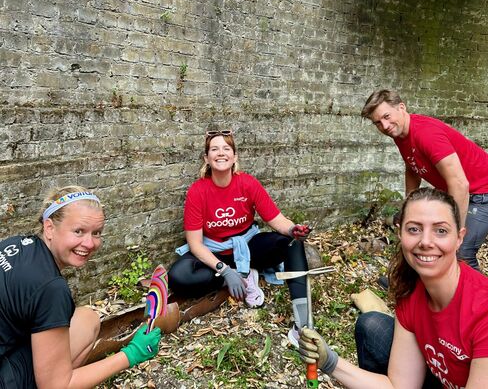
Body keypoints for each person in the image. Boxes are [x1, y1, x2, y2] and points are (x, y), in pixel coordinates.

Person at [298, 188, 488, 388]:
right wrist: (330, 362)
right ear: (400, 234)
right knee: (372, 326)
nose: (425, 241)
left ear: (460, 238)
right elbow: (399, 386)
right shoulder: (412, 291)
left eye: (440, 231)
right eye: (414, 229)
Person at [0, 186, 162, 388]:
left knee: (86, 319)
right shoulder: (51, 288)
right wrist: (131, 354)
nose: (90, 243)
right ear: (49, 227)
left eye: (97, 233)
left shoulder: (15, 244)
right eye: (78, 231)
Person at [168, 130, 311, 345]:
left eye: (226, 148)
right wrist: (224, 270)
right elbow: (195, 244)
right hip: (215, 252)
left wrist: (293, 230)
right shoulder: (198, 191)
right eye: (214, 149)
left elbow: (276, 218)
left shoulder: (248, 183)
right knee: (179, 276)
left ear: (234, 157)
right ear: (207, 158)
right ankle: (239, 275)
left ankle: (303, 324)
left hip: (247, 247)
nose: (221, 153)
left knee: (292, 243)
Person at [361, 90, 488, 270]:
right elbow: (412, 165)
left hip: (487, 193)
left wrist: (454, 231)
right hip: (459, 190)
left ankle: (473, 296)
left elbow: (460, 185)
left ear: (401, 107)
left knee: (460, 251)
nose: (385, 126)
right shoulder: (400, 133)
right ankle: (416, 289)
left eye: (386, 116)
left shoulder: (426, 134)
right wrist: (409, 206)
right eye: (378, 122)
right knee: (423, 239)